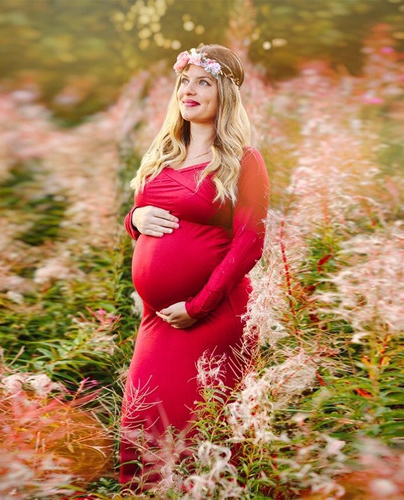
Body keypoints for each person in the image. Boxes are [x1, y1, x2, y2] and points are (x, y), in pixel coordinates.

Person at [119, 43, 270, 490]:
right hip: (158, 317)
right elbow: (143, 217)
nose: (189, 90)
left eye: (203, 82)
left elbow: (250, 242)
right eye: (184, 81)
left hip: (211, 313)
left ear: (225, 94)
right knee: (143, 414)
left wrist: (199, 304)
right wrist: (134, 219)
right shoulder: (163, 154)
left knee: (201, 422)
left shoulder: (243, 161)